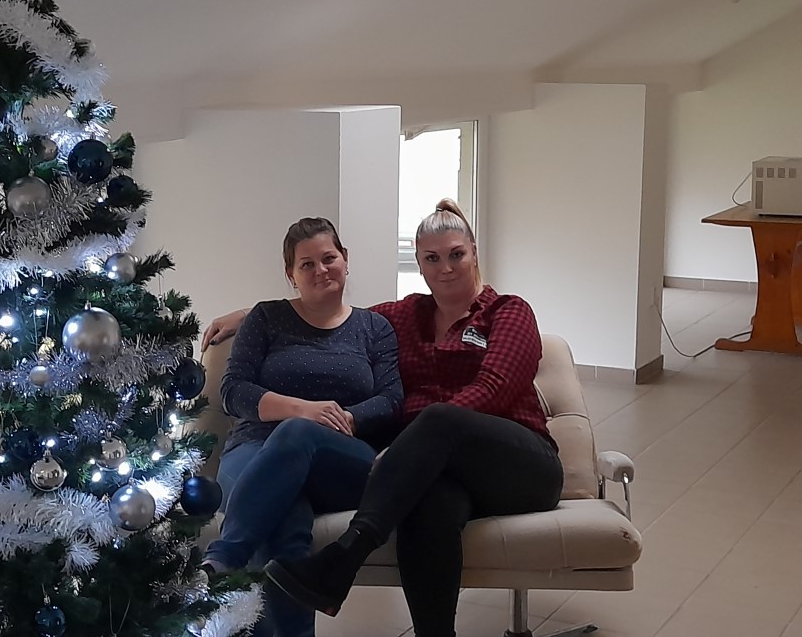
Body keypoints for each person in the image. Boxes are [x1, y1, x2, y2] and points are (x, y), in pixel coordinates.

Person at [201, 200, 563, 637]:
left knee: (439, 419)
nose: (446, 268)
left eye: (456, 254)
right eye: (432, 258)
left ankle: (345, 558)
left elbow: (493, 389)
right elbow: (326, 309)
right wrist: (251, 315)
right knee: (427, 507)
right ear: (420, 264)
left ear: (474, 252)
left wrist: (408, 445)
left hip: (519, 465)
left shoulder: (508, 311)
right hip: (441, 471)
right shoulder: (406, 316)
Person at [203, 216, 403, 637]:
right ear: (290, 275)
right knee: (284, 520)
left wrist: (344, 418)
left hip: (341, 457)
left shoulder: (374, 328)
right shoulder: (266, 318)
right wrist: (302, 409)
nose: (320, 270)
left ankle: (225, 556)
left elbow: (391, 400)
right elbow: (233, 391)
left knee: (296, 433)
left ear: (345, 259)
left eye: (328, 258)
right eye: (306, 264)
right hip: (255, 448)